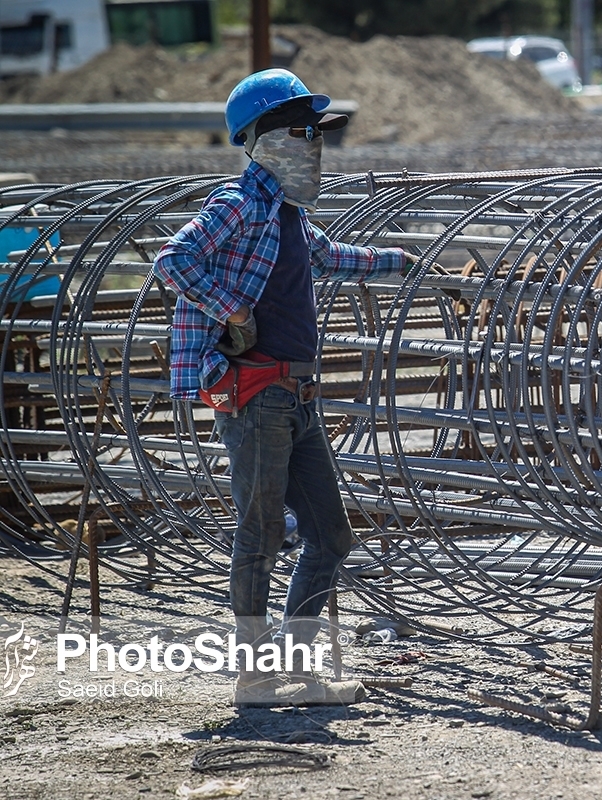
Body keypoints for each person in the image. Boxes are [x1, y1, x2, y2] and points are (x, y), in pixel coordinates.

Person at [153, 69, 409, 706]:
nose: (312, 142)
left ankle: (291, 665)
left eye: (313, 131)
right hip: (256, 395)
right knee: (259, 533)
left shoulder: (289, 220)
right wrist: (233, 311)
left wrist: (412, 262)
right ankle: (252, 676)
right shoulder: (237, 207)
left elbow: (336, 259)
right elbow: (173, 261)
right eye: (300, 130)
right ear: (264, 137)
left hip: (298, 398)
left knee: (330, 535)